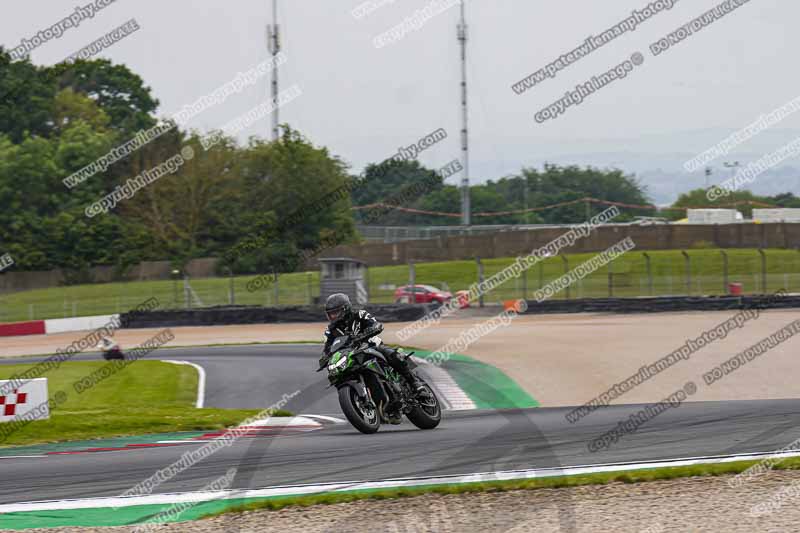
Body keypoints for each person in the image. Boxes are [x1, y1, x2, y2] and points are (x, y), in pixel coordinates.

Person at [319, 293, 424, 394]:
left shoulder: (359, 315)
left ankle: (414, 381)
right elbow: (328, 348)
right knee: (338, 374)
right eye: (330, 314)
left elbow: (375, 324)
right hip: (351, 355)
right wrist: (325, 357)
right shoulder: (330, 331)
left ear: (345, 309)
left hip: (371, 346)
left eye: (335, 313)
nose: (332, 316)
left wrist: (371, 330)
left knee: (391, 354)